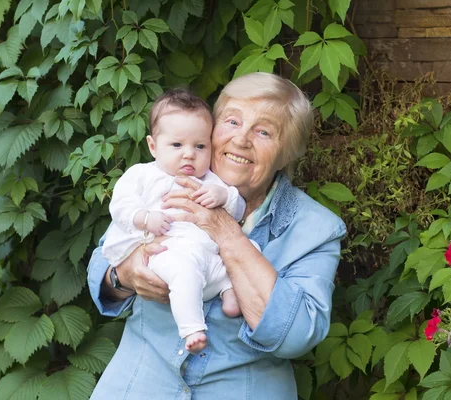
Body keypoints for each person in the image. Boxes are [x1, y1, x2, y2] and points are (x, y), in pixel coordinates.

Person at [88, 72, 346, 399]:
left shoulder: (315, 228)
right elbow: (101, 276)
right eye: (232, 121)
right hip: (138, 383)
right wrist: (123, 274)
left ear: (287, 153)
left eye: (264, 131)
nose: (241, 140)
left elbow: (295, 336)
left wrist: (225, 230)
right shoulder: (164, 181)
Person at [101, 88, 248, 353]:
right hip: (167, 253)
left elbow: (238, 209)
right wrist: (144, 218)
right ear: (153, 146)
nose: (189, 154)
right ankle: (192, 329)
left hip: (209, 258)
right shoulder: (142, 175)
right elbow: (120, 205)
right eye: (177, 145)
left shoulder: (209, 180)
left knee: (248, 254)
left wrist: (222, 195)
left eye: (200, 146)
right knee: (183, 272)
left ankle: (230, 294)